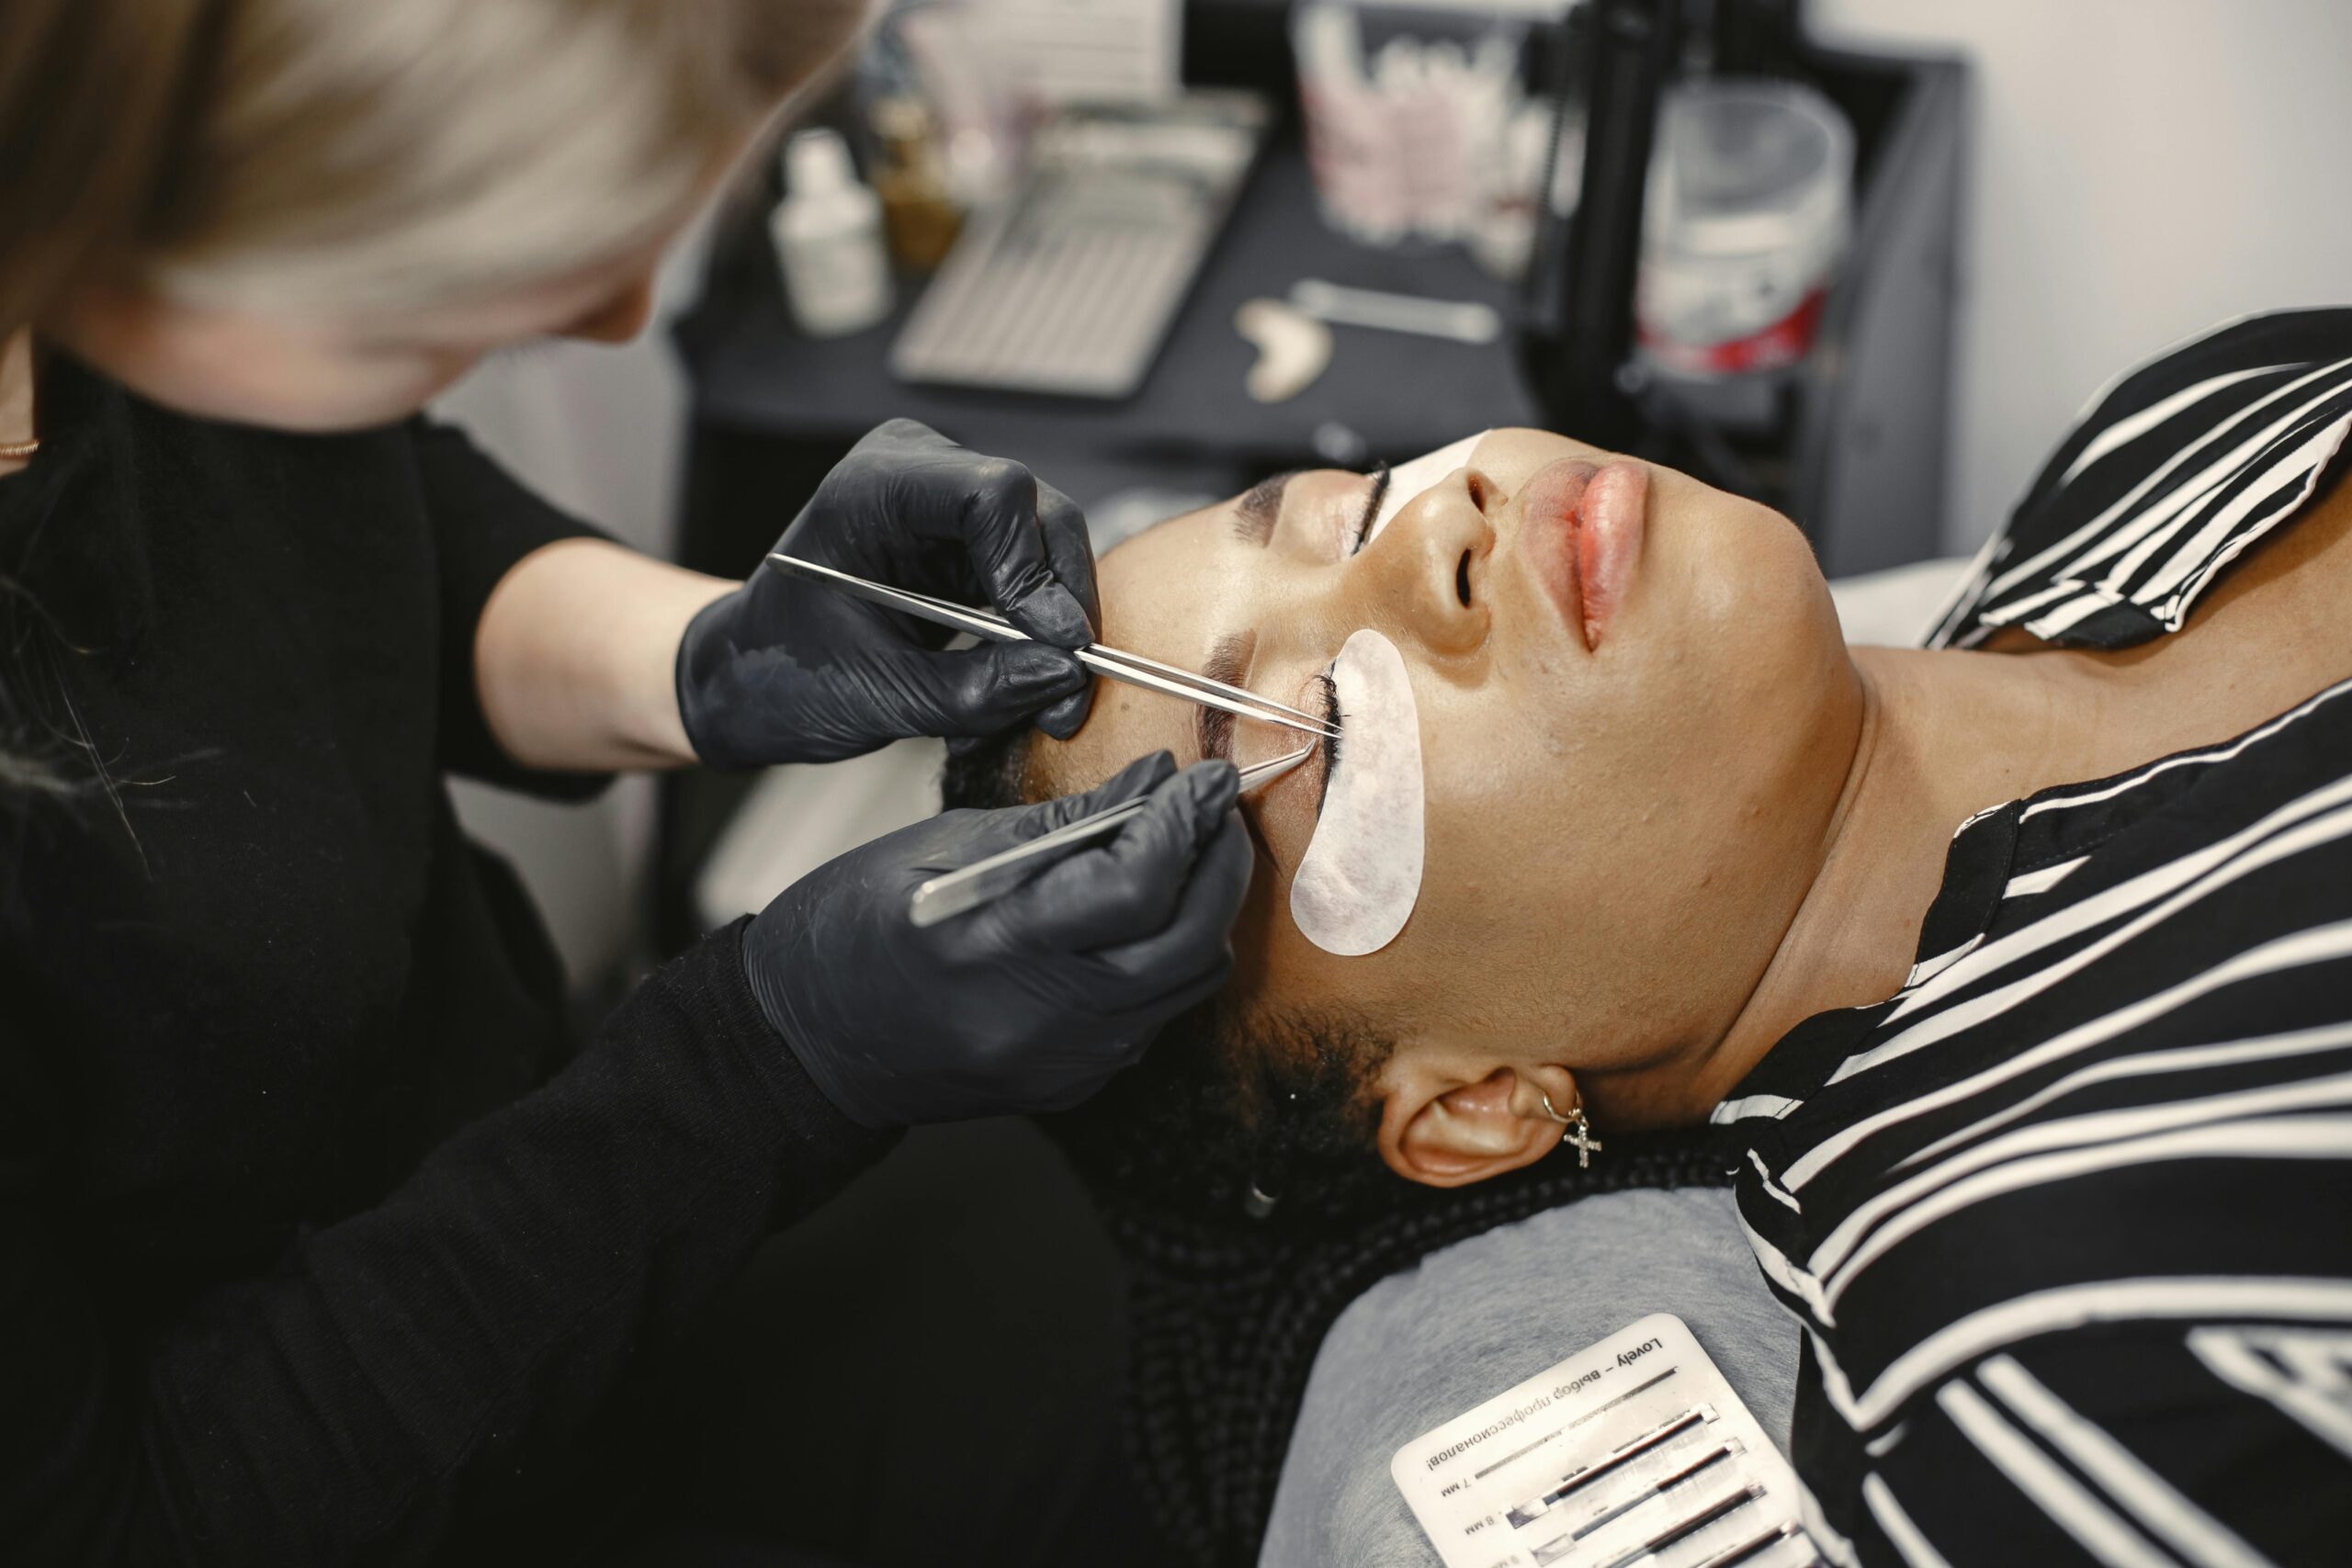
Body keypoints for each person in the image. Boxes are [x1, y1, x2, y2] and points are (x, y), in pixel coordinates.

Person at [1, 3, 1252, 1562]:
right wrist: (757, 1063)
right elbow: (128, 1523)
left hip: (547, 1177)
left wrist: (711, 654)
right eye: (425, 314)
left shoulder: (98, 274)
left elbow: (327, 538)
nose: (617, 324)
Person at [943, 310, 2352, 1563]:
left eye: (1349, 508)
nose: (1444, 529)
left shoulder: (2171, 437)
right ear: (1482, 1103)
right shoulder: (2047, 1353)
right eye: (1317, 731)